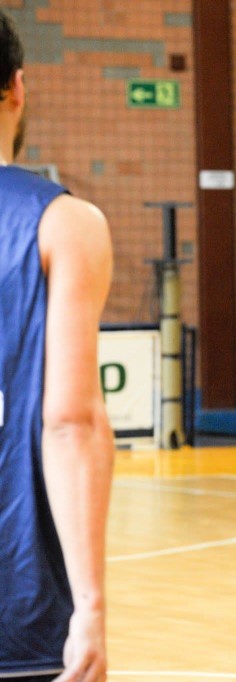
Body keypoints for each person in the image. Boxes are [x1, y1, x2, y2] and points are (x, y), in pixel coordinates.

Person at [0, 10, 115, 682]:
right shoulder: (64, 223)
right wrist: (92, 608)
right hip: (23, 600)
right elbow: (70, 422)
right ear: (19, 85)